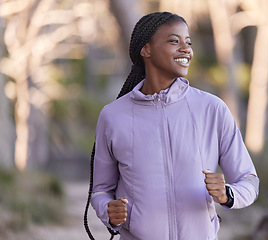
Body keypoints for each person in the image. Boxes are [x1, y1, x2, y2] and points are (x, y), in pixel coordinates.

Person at [85, 11, 259, 240]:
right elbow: (100, 191)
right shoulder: (113, 116)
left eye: (188, 42)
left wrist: (227, 194)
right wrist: (109, 211)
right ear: (145, 50)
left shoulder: (212, 109)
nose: (186, 49)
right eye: (174, 41)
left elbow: (249, 180)